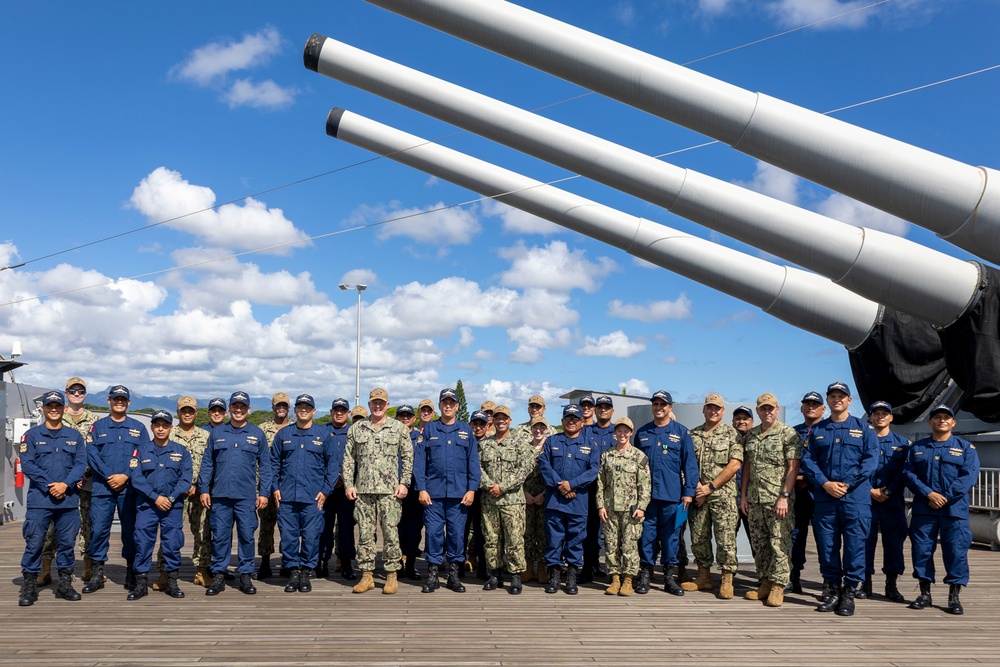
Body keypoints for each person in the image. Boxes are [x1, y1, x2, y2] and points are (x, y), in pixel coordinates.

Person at [800, 381, 878, 617]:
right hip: (826, 498)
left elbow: (870, 460)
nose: (837, 399)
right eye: (833, 396)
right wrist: (825, 483)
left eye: (841, 396)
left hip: (855, 498)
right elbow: (808, 460)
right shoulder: (818, 430)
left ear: (849, 400)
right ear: (828, 401)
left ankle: (849, 594)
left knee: (855, 545)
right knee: (827, 545)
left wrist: (848, 483)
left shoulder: (865, 429)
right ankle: (832, 590)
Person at [903, 405, 980, 615]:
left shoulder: (966, 449)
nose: (942, 421)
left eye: (947, 418)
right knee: (922, 551)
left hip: (953, 511)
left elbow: (969, 476)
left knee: (956, 552)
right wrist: (928, 493)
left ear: (953, 423)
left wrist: (945, 497)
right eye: (937, 418)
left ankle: (954, 596)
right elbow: (909, 474)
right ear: (930, 422)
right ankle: (925, 593)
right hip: (924, 509)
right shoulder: (917, 448)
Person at [198, 391, 273, 596]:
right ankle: (219, 575)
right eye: (235, 406)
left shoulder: (257, 434)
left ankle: (246, 575)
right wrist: (204, 489)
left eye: (242, 407)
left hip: (246, 496)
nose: (238, 410)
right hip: (220, 495)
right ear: (229, 409)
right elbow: (207, 464)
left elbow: (265, 466)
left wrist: (264, 493)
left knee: (247, 536)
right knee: (220, 537)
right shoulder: (217, 433)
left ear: (248, 409)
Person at [18, 390, 87, 606]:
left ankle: (64, 584)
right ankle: (29, 587)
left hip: (67, 501)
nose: (54, 409)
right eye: (50, 406)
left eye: (58, 406)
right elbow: (28, 464)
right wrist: (50, 486)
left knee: (67, 544)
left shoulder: (74, 436)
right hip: (40, 500)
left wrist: (65, 484)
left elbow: (80, 463)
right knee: (35, 543)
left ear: (64, 409)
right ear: (43, 409)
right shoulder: (31, 436)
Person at [342, 388, 413, 594]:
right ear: (370, 404)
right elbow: (348, 458)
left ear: (387, 405)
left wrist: (404, 482)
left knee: (391, 534)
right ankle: (367, 576)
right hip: (363, 491)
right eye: (374, 402)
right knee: (365, 534)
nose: (378, 406)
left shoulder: (398, 428)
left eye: (382, 402)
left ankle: (391, 576)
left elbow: (408, 457)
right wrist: (348, 483)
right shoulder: (357, 428)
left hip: (390, 492)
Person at [83, 385, 151, 594]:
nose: (119, 402)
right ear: (109, 401)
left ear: (128, 402)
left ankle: (131, 571)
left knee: (131, 532)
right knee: (98, 530)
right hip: (103, 488)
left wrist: (126, 476)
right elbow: (92, 454)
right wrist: (109, 476)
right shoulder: (97, 427)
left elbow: (144, 455)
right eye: (115, 399)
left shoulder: (138, 428)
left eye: (123, 399)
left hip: (129, 489)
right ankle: (97, 573)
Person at [272, 394, 342, 594]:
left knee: (311, 537)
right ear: (295, 410)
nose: (303, 410)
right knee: (289, 537)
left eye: (307, 407)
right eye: (300, 406)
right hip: (287, 497)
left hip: (313, 498)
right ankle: (293, 571)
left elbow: (332, 466)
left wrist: (325, 492)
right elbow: (273, 463)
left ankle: (306, 572)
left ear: (313, 411)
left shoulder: (322, 435)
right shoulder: (283, 435)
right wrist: (275, 488)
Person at [414, 388, 480, 593]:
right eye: (445, 402)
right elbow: (419, 463)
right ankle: (432, 576)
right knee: (433, 535)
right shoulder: (430, 430)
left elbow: (473, 463)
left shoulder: (466, 430)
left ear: (457, 407)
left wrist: (472, 489)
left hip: (459, 495)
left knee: (456, 535)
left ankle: (453, 576)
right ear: (440, 405)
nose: (448, 406)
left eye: (452, 403)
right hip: (432, 494)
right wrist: (421, 489)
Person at [740, 392, 801, 608]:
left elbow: (793, 467)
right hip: (755, 499)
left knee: (779, 543)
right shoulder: (752, 435)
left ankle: (778, 586)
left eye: (770, 408)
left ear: (776, 410)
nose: (767, 412)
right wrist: (743, 495)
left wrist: (784, 496)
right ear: (757, 411)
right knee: (760, 544)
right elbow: (747, 466)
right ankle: (764, 582)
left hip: (777, 500)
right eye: (763, 408)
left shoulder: (788, 433)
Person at [634, 390, 697, 596]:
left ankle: (669, 576)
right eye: (656, 404)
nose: (659, 408)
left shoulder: (682, 433)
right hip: (647, 498)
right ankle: (645, 572)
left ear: (670, 407)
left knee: (671, 538)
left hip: (672, 496)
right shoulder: (642, 433)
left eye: (663, 404)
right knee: (647, 536)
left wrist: (688, 493)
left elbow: (690, 466)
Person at [39, 377, 100, 587]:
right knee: (51, 527)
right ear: (66, 393)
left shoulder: (94, 420)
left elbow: (96, 451)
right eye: (72, 391)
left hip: (87, 482)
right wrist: (67, 480)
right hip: (61, 484)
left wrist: (85, 475)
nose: (76, 394)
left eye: (80, 390)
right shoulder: (55, 415)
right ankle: (45, 569)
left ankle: (88, 566)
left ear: (85, 393)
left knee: (87, 524)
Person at [682, 394, 743, 599]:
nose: (713, 411)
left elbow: (735, 464)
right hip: (699, 495)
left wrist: (710, 487)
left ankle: (726, 579)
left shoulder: (732, 434)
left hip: (722, 495)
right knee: (698, 537)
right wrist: (697, 487)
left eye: (717, 408)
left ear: (723, 411)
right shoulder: (692, 435)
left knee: (725, 539)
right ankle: (703, 577)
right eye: (709, 407)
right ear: (703, 410)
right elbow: (686, 464)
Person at [127, 410, 192, 601]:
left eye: (165, 425)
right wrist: (155, 498)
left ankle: (172, 582)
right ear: (152, 427)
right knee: (143, 543)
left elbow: (185, 480)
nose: (161, 429)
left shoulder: (181, 451)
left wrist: (170, 499)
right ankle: (141, 584)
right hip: (147, 505)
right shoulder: (140, 451)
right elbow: (137, 479)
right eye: (157, 425)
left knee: (172, 543)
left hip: (172, 507)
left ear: (171, 428)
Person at [539, 404, 601, 595]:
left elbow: (594, 470)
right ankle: (555, 576)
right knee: (554, 540)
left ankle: (572, 576)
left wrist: (572, 485)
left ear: (582, 422)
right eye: (568, 418)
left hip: (578, 502)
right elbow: (544, 465)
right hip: (555, 501)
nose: (571, 421)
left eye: (575, 418)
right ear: (562, 421)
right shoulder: (551, 441)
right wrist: (561, 485)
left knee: (575, 540)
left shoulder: (590, 444)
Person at [477, 405, 533, 594]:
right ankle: (495, 574)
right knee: (491, 539)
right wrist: (489, 485)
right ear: (493, 421)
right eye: (497, 418)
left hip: (512, 501)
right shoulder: (484, 444)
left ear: (510, 420)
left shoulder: (521, 444)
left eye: (504, 418)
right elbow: (477, 469)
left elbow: (524, 470)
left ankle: (516, 576)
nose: (500, 421)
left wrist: (502, 487)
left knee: (514, 540)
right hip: (489, 500)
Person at [863, 400, 911, 602]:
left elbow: (906, 471)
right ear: (871, 417)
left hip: (893, 502)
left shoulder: (903, 444)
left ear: (891, 417)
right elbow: (855, 468)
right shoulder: (862, 441)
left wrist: (888, 490)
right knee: (865, 542)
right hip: (866, 500)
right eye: (876, 413)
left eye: (885, 413)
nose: (880, 416)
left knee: (894, 544)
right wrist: (869, 490)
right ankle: (865, 583)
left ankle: (891, 585)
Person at [596, 417, 650, 597]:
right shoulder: (607, 455)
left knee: (629, 546)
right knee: (611, 545)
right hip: (610, 509)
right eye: (619, 430)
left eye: (626, 431)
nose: (622, 434)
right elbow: (600, 483)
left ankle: (628, 579)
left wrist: (642, 506)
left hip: (631, 510)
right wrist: (600, 506)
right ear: (615, 432)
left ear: (631, 433)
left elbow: (645, 485)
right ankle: (615, 578)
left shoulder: (639, 456)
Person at [170, 396, 212, 588]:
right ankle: (167, 572)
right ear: (178, 412)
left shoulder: (206, 436)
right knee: (170, 532)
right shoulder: (169, 434)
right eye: (183, 411)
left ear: (196, 413)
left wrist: (201, 486)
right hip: (174, 493)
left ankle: (201, 570)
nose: (187, 414)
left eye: (191, 411)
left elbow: (210, 465)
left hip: (198, 492)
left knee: (202, 532)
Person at [790, 391, 825, 594]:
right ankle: (794, 578)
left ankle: (828, 583)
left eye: (815, 404)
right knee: (795, 536)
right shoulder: (793, 433)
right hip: (797, 493)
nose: (811, 407)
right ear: (802, 408)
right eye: (807, 404)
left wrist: (807, 478)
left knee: (825, 539)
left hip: (820, 492)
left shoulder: (829, 430)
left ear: (823, 409)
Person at [318, 398, 356, 580]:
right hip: (326, 489)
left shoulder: (354, 431)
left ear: (348, 414)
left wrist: (346, 480)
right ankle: (322, 562)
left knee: (346, 528)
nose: (339, 413)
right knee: (323, 527)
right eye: (336, 410)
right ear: (331, 412)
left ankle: (346, 563)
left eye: (343, 410)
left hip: (348, 490)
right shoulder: (322, 431)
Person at [257, 392, 292, 580]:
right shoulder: (262, 430)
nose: (281, 408)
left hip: (287, 486)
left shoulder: (295, 429)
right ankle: (264, 562)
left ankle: (287, 561)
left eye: (284, 406)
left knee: (288, 526)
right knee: (266, 526)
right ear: (273, 407)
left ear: (289, 408)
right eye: (278, 405)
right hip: (266, 485)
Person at [581, 395, 615, 582]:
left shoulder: (618, 432)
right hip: (589, 488)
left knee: (610, 530)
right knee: (589, 530)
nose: (603, 409)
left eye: (606, 407)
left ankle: (611, 569)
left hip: (611, 491)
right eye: (599, 407)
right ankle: (589, 565)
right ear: (595, 410)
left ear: (612, 411)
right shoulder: (586, 432)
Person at [395, 404, 425, 581]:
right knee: (396, 529)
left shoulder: (421, 438)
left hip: (414, 490)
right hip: (395, 490)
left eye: (408, 416)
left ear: (414, 419)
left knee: (414, 530)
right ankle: (397, 564)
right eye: (402, 416)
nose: (405, 419)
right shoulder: (392, 436)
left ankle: (412, 565)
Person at [522, 416, 549, 584]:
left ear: (546, 429)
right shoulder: (524, 449)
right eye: (535, 427)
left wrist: (544, 494)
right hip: (526, 497)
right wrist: (524, 492)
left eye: (541, 427)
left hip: (545, 497)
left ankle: (543, 569)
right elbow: (517, 472)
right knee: (527, 533)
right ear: (531, 429)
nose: (538, 430)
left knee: (544, 534)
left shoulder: (551, 448)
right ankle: (529, 567)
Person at [731, 405, 755, 552]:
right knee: (727, 540)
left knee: (756, 539)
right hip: (731, 497)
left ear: (752, 421)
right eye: (738, 418)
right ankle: (728, 573)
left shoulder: (758, 439)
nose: (742, 421)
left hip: (752, 499)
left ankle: (762, 574)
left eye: (745, 418)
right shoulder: (727, 439)